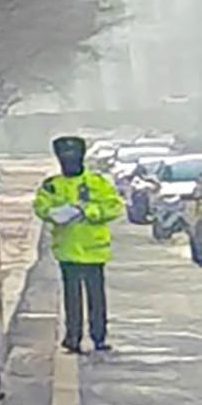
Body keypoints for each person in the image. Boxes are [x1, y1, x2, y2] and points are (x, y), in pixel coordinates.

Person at [39, 132, 123, 354]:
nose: (69, 161)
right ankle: (73, 338)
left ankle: (99, 337)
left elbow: (114, 206)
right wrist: (55, 213)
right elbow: (41, 207)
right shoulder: (52, 186)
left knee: (97, 298)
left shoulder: (97, 183)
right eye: (64, 157)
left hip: (94, 251)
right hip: (67, 250)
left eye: (72, 156)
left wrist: (89, 211)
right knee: (72, 299)